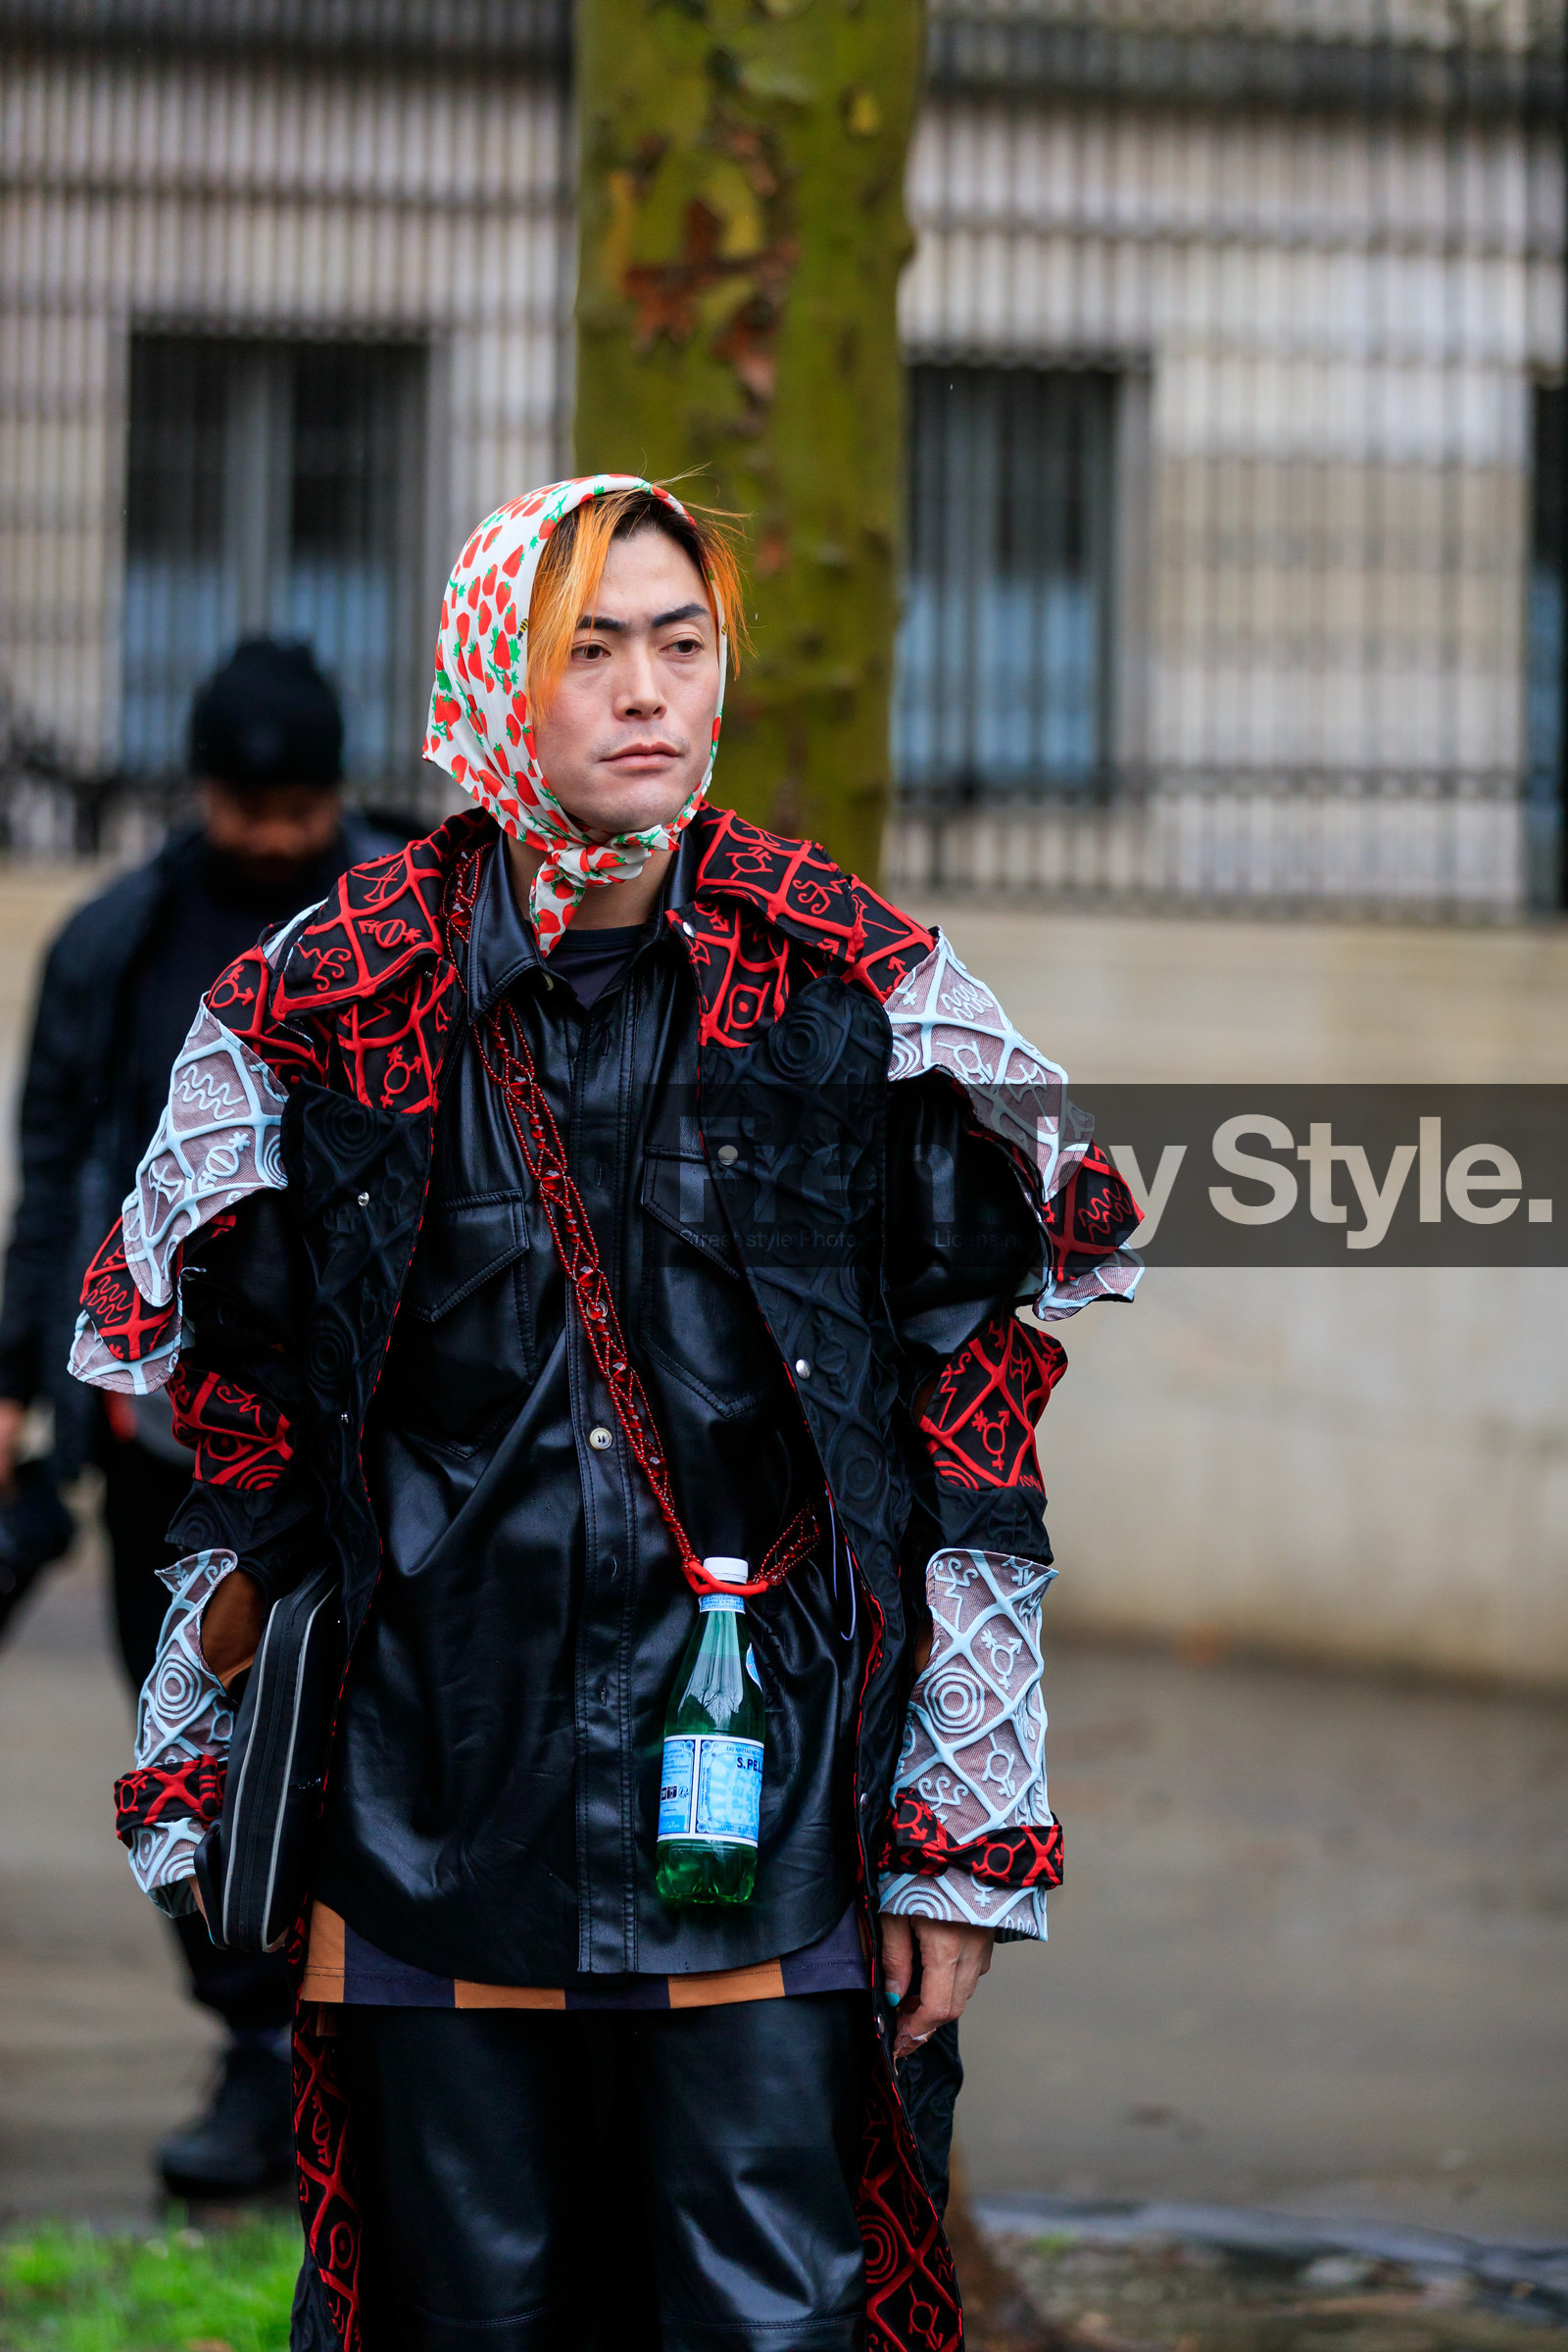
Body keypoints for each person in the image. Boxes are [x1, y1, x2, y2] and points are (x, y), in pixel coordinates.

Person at [77, 478, 1140, 2351]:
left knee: (766, 2323)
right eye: (592, 647)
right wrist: (205, 1743)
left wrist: (955, 1828)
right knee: (461, 2318)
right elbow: (251, 1442)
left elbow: (970, 1417)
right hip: (429, 1819)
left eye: (683, 641)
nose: (650, 690)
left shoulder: (847, 988)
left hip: (769, 1808)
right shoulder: (329, 1004)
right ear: (496, 677)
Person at [0, 637, 402, 2195]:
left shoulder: (404, 915)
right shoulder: (118, 940)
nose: (275, 835)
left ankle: (353, 2055)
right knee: (191, 1746)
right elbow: (56, 1170)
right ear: (202, 789)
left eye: (301, 803)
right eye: (251, 804)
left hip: (361, 1433)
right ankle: (252, 2053)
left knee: (361, 1742)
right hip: (163, 1440)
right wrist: (27, 1382)